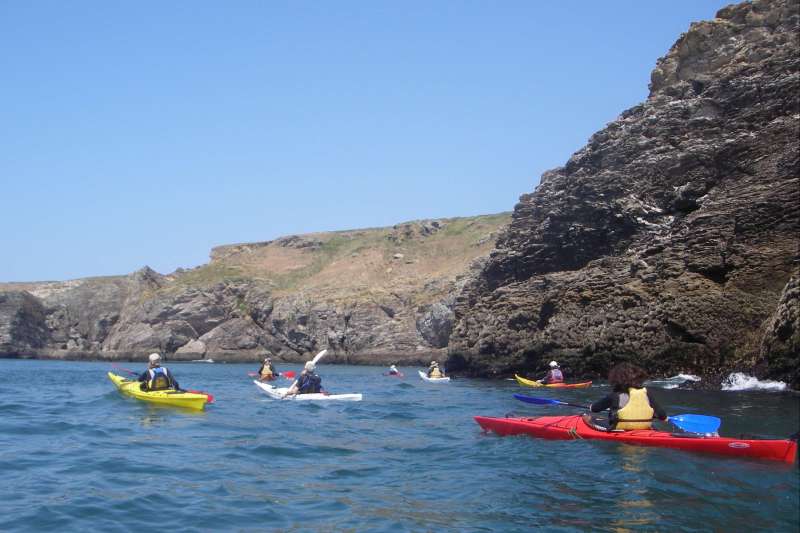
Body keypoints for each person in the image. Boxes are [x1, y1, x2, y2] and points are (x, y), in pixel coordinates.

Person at [586, 362, 667, 430]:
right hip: (644, 427)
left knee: (588, 418)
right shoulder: (646, 393)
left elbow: (595, 409)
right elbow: (662, 416)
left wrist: (590, 407)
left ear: (616, 379)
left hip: (620, 428)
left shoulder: (615, 395)